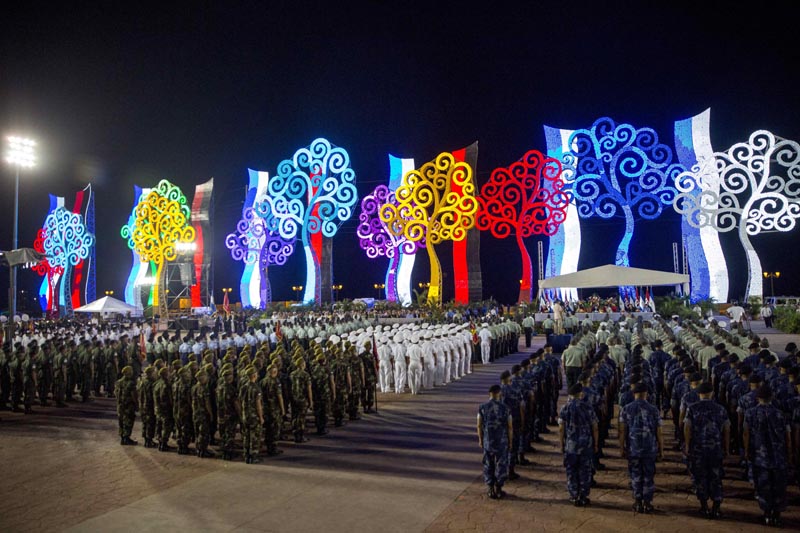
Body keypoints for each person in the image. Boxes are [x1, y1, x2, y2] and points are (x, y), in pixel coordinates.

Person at [743, 386, 791, 527]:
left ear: (757, 398)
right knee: (779, 486)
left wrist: (746, 451)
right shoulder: (780, 414)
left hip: (759, 457)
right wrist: (790, 452)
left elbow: (746, 433)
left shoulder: (750, 413)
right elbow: (788, 436)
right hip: (779, 456)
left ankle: (767, 514)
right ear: (772, 398)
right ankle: (777, 515)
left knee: (763, 485)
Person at [683, 382, 729, 519]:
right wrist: (726, 448)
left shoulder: (692, 408)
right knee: (716, 477)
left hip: (698, 449)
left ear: (699, 394)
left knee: (700, 477)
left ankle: (704, 507)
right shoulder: (720, 409)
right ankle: (716, 507)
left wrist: (687, 445)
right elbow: (727, 430)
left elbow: (687, 428)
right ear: (712, 393)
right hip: (715, 448)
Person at [619, 383, 663, 514]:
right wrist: (662, 449)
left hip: (633, 447)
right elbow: (659, 432)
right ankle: (647, 503)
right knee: (649, 475)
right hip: (649, 448)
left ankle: (637, 502)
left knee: (636, 474)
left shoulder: (626, 409)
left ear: (634, 394)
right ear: (646, 394)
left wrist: (622, 447)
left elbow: (622, 431)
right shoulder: (654, 410)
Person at [559, 383, 599, 507]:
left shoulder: (565, 408)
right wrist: (596, 444)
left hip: (571, 445)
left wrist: (562, 444)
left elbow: (561, 428)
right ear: (581, 394)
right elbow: (595, 427)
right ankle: (583, 495)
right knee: (585, 470)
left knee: (571, 470)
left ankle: (573, 495)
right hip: (586, 444)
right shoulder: (588, 407)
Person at [477, 384, 513, 499]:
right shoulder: (505, 408)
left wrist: (480, 439)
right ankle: (499, 488)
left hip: (488, 440)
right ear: (499, 393)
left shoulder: (482, 407)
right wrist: (510, 441)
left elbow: (478, 425)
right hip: (501, 441)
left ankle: (490, 488)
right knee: (501, 464)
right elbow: (510, 426)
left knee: (488, 464)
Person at [239, 365, 264, 464]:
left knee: (246, 436)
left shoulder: (243, 387)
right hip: (254, 416)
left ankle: (246, 455)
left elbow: (240, 400)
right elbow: (258, 405)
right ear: (254, 375)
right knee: (255, 436)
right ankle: (253, 456)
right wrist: (261, 417)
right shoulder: (256, 388)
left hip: (246, 415)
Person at [191, 369, 215, 458]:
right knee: (203, 433)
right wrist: (211, 414)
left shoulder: (194, 388)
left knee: (197, 432)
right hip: (203, 414)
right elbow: (207, 403)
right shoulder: (204, 389)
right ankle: (203, 450)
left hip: (195, 413)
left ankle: (198, 449)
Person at [114, 365, 138, 445]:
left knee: (121, 421)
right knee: (128, 421)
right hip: (128, 405)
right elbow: (133, 395)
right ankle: (126, 437)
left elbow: (116, 393)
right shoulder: (131, 383)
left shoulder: (118, 382)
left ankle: (122, 437)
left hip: (120, 405)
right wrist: (137, 404)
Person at [153, 366, 174, 452]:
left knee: (159, 425)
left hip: (158, 408)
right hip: (165, 408)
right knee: (166, 426)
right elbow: (170, 397)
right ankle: (164, 443)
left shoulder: (156, 383)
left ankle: (159, 441)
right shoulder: (166, 384)